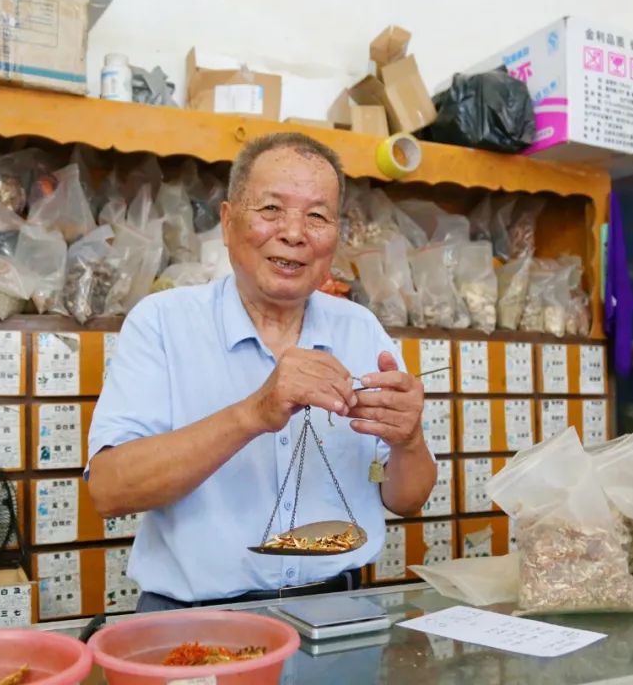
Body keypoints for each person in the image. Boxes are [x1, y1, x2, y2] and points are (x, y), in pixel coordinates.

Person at [87, 132, 435, 612]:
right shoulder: (162, 323)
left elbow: (407, 499)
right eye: (271, 209)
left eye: (316, 216)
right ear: (229, 222)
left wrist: (409, 440)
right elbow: (108, 490)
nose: (294, 233)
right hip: (195, 623)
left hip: (337, 613)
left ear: (337, 234)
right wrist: (253, 413)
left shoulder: (362, 330)